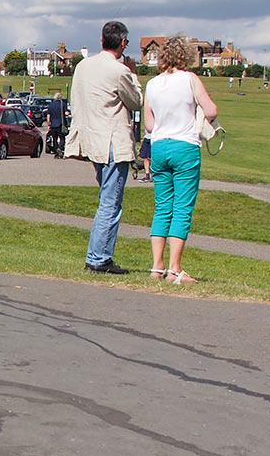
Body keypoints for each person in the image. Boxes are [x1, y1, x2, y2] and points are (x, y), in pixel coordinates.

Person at [65, 20, 142, 275]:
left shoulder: (83, 66)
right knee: (111, 202)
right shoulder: (119, 71)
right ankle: (98, 257)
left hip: (92, 139)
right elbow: (136, 101)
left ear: (101, 40)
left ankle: (99, 255)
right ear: (122, 43)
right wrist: (133, 73)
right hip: (112, 141)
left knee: (106, 198)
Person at [144, 37, 218, 284]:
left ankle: (157, 266)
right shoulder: (190, 79)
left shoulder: (152, 84)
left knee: (163, 205)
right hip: (184, 145)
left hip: (159, 146)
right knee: (182, 207)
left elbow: (149, 124)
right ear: (185, 56)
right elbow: (211, 111)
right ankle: (175, 268)